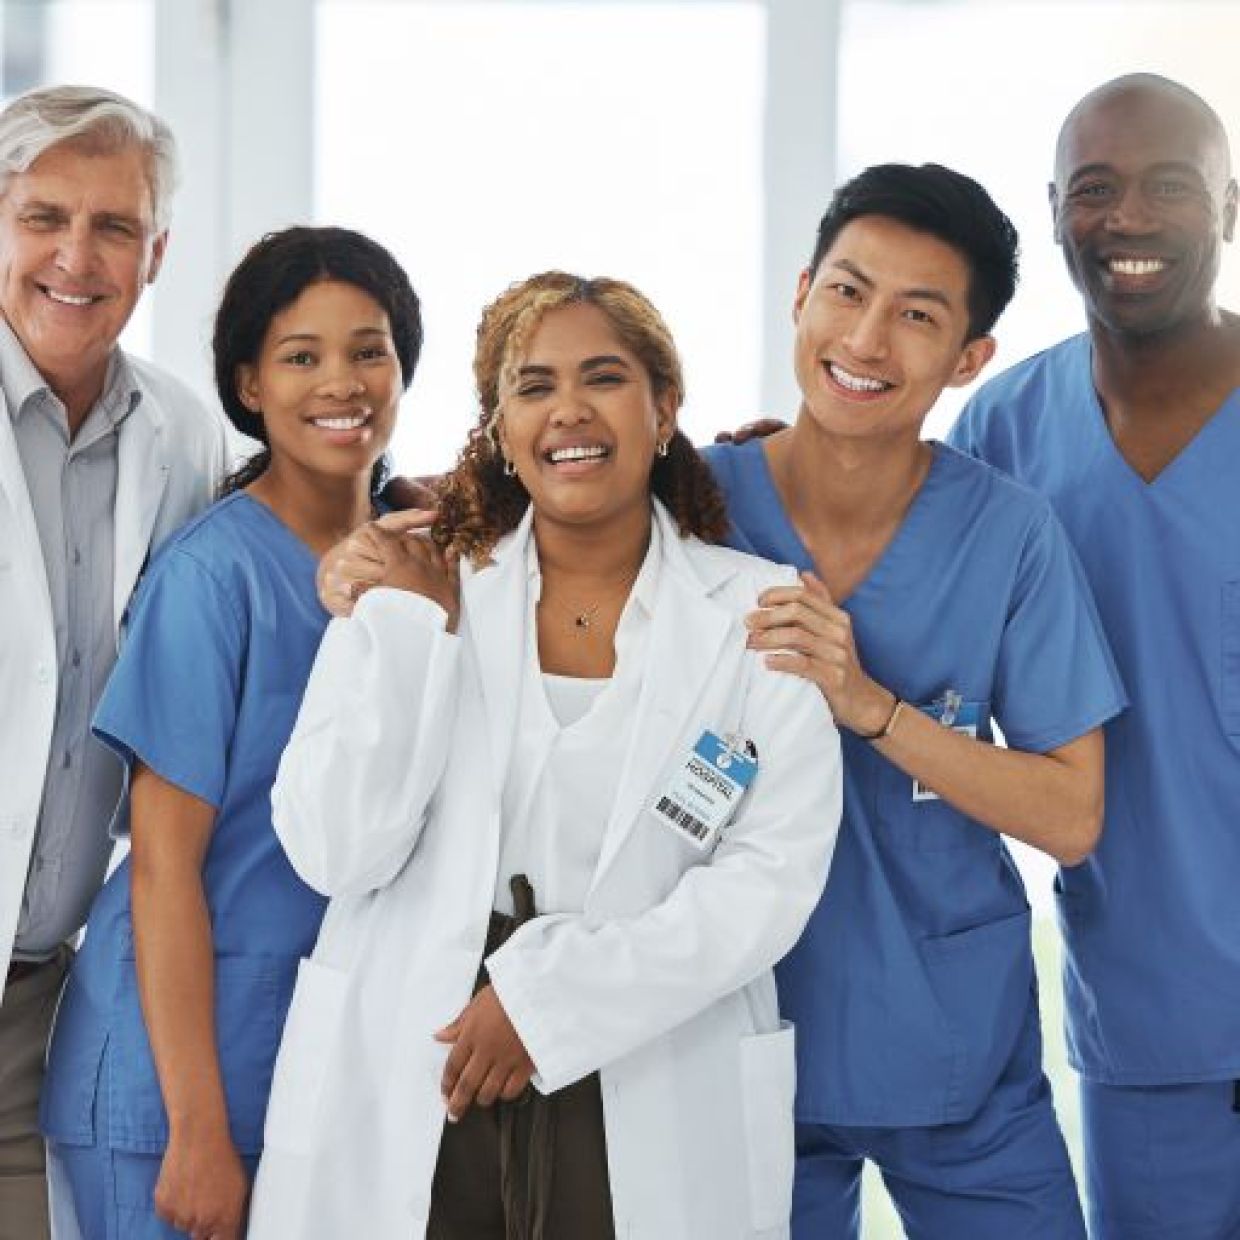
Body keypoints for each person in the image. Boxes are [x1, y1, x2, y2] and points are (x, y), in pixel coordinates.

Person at [246, 270, 843, 1240]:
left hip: (647, 1041)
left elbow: (770, 877)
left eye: (603, 377)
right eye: (532, 386)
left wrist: (546, 1001)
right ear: (499, 432)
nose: (568, 409)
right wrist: (411, 627)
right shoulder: (413, 578)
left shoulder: (756, 613)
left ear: (663, 410)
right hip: (425, 1048)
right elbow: (334, 851)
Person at [703, 163, 1126, 1238]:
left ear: (967, 357)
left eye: (916, 314)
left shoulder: (1008, 533)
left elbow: (1069, 815)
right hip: (734, 1037)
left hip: (951, 1051)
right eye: (846, 292)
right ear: (799, 294)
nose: (865, 339)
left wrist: (873, 706)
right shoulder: (694, 503)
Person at [38, 225, 423, 1240]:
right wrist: (196, 1132)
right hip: (177, 1081)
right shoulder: (215, 576)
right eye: (301, 356)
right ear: (248, 385)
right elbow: (165, 865)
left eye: (368, 350)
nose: (340, 382)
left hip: (313, 1058)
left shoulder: (419, 555)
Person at [949, 74, 1240, 1240]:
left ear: (1229, 205)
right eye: (1094, 190)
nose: (1126, 219)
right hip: (1149, 1006)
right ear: (1057, 211)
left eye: (1168, 185)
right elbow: (880, 586)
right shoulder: (1002, 434)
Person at [0, 84, 226, 1240]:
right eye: (44, 217)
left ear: (157, 251)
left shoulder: (183, 435)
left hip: (42, 992)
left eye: (115, 227)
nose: (75, 257)